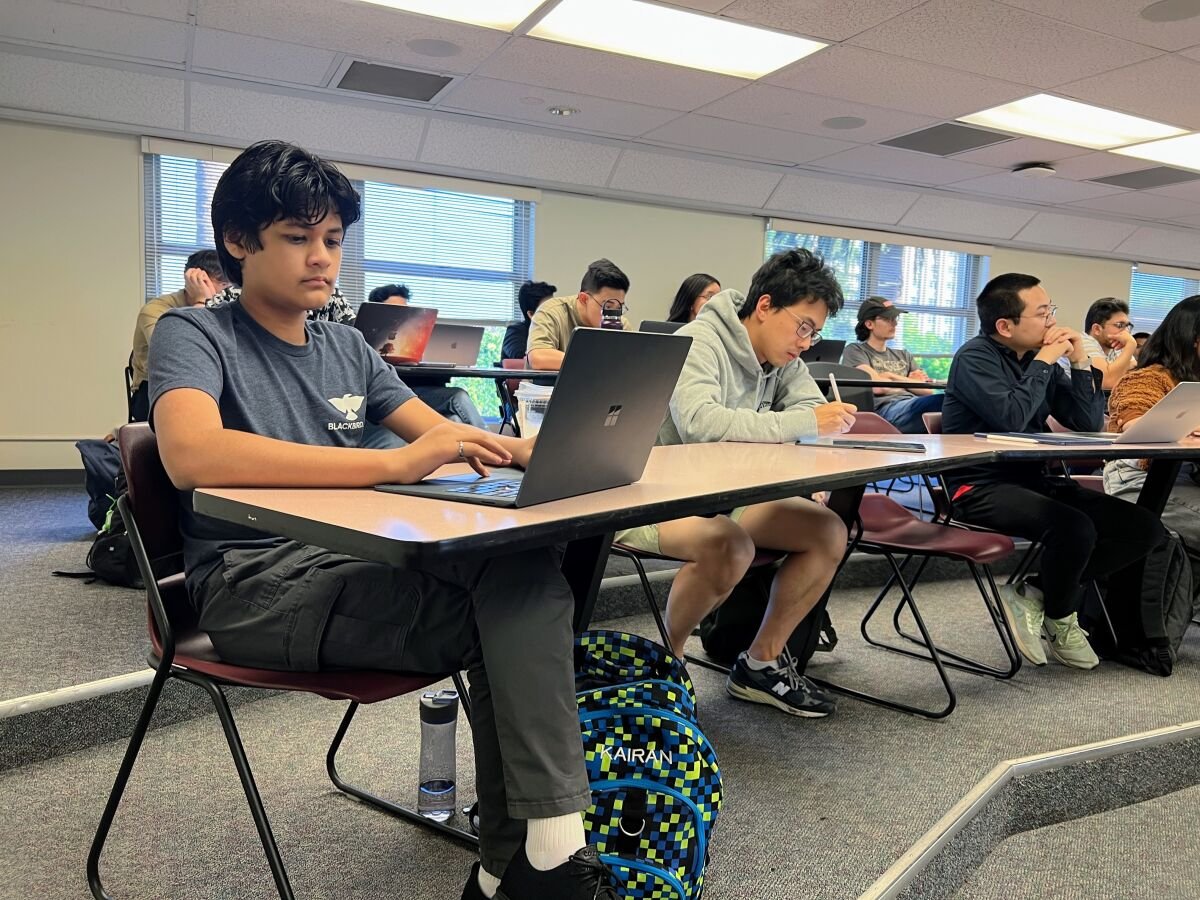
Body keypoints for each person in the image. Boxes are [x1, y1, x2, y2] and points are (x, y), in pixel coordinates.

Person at [147, 140, 614, 900]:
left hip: (356, 560)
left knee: (524, 574)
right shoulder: (195, 333)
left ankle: (536, 862)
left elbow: (441, 436)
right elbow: (190, 455)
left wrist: (531, 450)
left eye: (333, 240)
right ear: (238, 241)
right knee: (518, 618)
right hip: (254, 584)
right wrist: (389, 466)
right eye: (297, 237)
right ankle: (528, 864)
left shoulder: (345, 347)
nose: (321, 258)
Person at [617, 249, 857, 718]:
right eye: (803, 327)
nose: (806, 343)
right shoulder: (699, 341)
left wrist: (807, 427)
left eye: (814, 333)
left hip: (728, 494)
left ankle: (760, 664)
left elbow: (814, 413)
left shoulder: (782, 356)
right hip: (656, 496)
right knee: (730, 545)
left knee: (827, 530)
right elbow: (702, 425)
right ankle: (670, 661)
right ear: (765, 306)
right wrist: (801, 423)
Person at [942, 274, 1164, 670]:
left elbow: (1086, 421)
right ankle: (1062, 614)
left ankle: (1037, 593)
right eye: (1043, 313)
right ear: (1005, 325)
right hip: (978, 485)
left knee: (1143, 528)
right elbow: (1010, 418)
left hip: (1035, 480)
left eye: (1051, 311)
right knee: (1074, 527)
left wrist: (1079, 363)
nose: (1052, 321)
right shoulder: (974, 358)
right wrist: (1046, 359)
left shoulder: (1037, 360)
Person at [1104, 295, 1200, 590]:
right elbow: (1138, 425)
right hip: (1140, 478)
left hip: (1185, 478)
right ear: (1193, 339)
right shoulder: (1147, 378)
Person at [363, 283, 488, 430]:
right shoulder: (366, 340)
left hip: (422, 390)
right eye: (394, 311)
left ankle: (491, 444)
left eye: (405, 311)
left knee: (454, 419)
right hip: (396, 395)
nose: (400, 317)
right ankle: (494, 442)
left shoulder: (417, 336)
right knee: (458, 396)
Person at [128, 250, 230, 422]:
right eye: (222, 285)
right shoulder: (155, 310)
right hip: (155, 387)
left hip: (210, 382)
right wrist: (202, 303)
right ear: (194, 280)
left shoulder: (226, 307)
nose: (225, 292)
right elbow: (178, 357)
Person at [840, 296, 944, 433]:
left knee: (950, 404)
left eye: (895, 318)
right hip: (887, 410)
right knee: (943, 401)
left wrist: (890, 377)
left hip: (912, 405)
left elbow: (926, 390)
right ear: (869, 324)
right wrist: (909, 382)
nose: (894, 323)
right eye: (887, 319)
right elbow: (879, 387)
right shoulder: (856, 351)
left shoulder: (904, 355)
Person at [526, 260, 631, 370]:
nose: (613, 316)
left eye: (618, 308)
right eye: (607, 307)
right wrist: (597, 361)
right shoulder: (551, 312)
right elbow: (538, 358)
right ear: (583, 299)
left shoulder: (621, 323)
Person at [1081, 297, 1138, 390]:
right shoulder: (1082, 342)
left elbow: (1136, 376)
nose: (1126, 332)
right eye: (1120, 325)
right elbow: (1106, 383)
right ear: (1097, 329)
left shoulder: (1117, 344)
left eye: (1127, 326)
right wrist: (1131, 346)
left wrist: (1114, 371)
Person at [503, 281, 557, 361]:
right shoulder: (515, 332)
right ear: (531, 314)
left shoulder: (557, 330)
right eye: (548, 309)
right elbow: (522, 357)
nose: (555, 311)